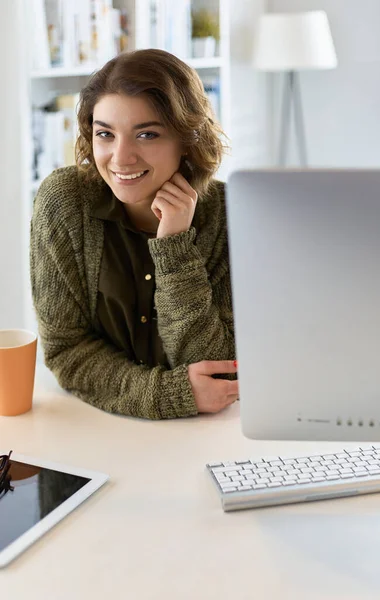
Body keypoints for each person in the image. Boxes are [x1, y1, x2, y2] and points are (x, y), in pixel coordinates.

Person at [30, 49, 238, 420]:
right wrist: (167, 394)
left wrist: (174, 246)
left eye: (146, 134)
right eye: (105, 134)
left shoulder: (229, 214)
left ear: (187, 139)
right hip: (94, 426)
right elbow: (66, 350)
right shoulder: (64, 203)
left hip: (206, 437)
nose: (120, 157)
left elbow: (217, 371)